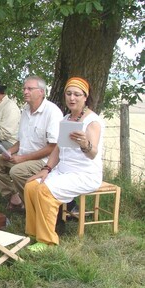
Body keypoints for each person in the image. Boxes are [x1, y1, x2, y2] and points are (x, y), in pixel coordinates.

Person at [24, 77, 104, 252]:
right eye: (69, 94)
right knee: (31, 185)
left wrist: (85, 144)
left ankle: (47, 241)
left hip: (84, 174)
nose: (72, 98)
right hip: (63, 171)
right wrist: (46, 169)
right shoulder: (67, 118)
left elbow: (93, 153)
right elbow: (58, 149)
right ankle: (34, 232)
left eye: (77, 94)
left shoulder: (92, 121)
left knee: (44, 191)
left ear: (85, 97)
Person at [0, 75, 63, 211]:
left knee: (17, 171)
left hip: (44, 161)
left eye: (30, 89)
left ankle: (33, 207)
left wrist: (23, 158)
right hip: (23, 157)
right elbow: (21, 141)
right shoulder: (26, 110)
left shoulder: (52, 112)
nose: (25, 91)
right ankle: (14, 198)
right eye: (24, 88)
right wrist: (9, 151)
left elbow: (53, 147)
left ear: (41, 92)